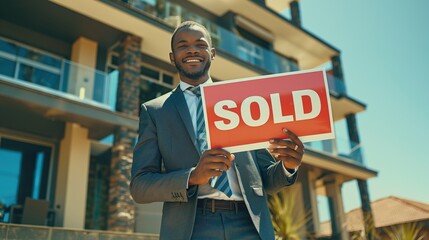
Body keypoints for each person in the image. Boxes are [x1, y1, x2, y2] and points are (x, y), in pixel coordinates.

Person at [130, 21, 304, 240]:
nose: (192, 49)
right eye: (183, 45)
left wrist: (288, 166)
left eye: (200, 44)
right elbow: (140, 186)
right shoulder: (155, 111)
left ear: (212, 53)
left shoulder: (244, 103)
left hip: (250, 225)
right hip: (192, 227)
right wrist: (192, 176)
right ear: (172, 57)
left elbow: (265, 179)